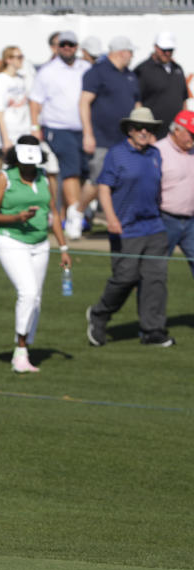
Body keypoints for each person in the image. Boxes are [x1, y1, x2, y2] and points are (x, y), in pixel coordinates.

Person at [87, 107, 173, 348]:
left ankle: (152, 330)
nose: (144, 131)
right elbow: (104, 187)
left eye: (149, 128)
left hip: (154, 226)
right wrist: (111, 218)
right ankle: (99, 314)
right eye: (139, 127)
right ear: (130, 130)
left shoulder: (155, 154)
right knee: (125, 278)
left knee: (155, 280)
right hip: (126, 228)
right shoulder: (116, 154)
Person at [0, 136, 72, 373]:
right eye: (25, 163)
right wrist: (16, 218)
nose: (29, 167)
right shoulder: (4, 178)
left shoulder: (44, 178)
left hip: (40, 244)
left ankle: (25, 348)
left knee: (36, 299)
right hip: (11, 241)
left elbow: (52, 211)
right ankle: (20, 350)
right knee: (28, 292)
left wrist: (63, 248)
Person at [72, 36, 141, 238]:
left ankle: (121, 221)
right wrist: (88, 134)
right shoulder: (97, 73)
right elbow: (84, 102)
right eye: (131, 52)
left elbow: (137, 105)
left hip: (126, 139)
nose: (132, 56)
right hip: (102, 137)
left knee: (125, 181)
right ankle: (77, 212)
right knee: (96, 180)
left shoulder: (130, 76)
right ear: (122, 52)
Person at [29, 31, 91, 225]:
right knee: (70, 170)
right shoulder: (48, 71)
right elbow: (35, 101)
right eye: (62, 44)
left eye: (70, 44)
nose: (66, 48)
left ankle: (72, 213)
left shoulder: (86, 68)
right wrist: (34, 126)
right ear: (57, 47)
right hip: (58, 127)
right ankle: (75, 217)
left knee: (83, 171)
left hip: (83, 129)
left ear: (76, 47)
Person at [154, 110, 194, 279]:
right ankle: (149, 304)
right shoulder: (158, 151)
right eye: (190, 133)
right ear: (177, 130)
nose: (192, 138)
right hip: (165, 219)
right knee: (155, 269)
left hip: (191, 221)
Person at [0, 46, 31, 191]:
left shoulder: (20, 79)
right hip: (1, 137)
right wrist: (5, 139)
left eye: (22, 56)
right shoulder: (0, 80)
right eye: (18, 57)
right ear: (8, 60)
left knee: (17, 172)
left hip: (19, 133)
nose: (21, 60)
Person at [134, 32, 187, 139]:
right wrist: (145, 131)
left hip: (175, 135)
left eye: (170, 50)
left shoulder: (178, 69)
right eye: (164, 50)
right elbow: (137, 102)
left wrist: (185, 127)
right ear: (156, 47)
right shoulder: (143, 70)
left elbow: (183, 100)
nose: (167, 53)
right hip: (153, 134)